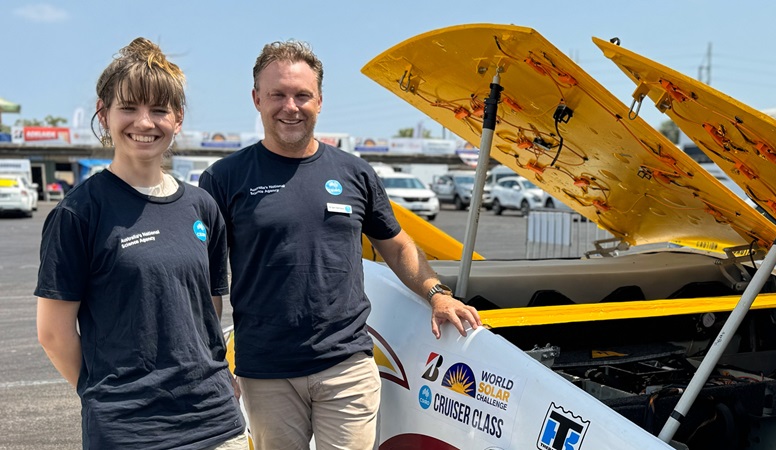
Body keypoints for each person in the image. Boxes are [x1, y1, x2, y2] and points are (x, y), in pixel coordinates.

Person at [199, 40, 482, 450]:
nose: (290, 107)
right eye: (277, 94)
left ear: (319, 101)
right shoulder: (224, 178)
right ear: (257, 99)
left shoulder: (354, 172)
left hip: (346, 365)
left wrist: (437, 294)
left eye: (302, 95)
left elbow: (397, 244)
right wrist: (210, 360)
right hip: (265, 372)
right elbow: (206, 280)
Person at [35, 37, 246, 450]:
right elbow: (53, 333)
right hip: (129, 430)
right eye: (129, 107)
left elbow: (208, 309)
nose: (144, 123)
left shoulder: (202, 207)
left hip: (215, 421)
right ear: (104, 113)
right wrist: (105, 396)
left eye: (159, 110)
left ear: (178, 118)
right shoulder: (80, 212)